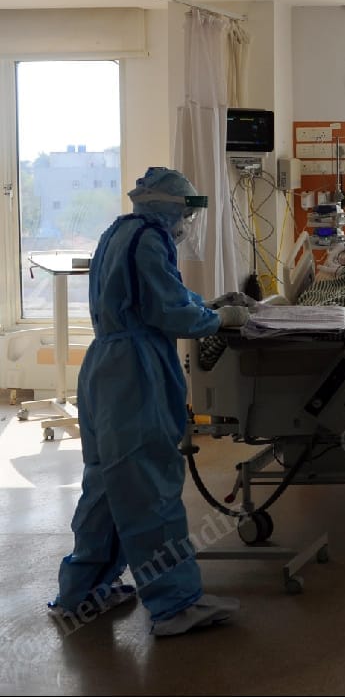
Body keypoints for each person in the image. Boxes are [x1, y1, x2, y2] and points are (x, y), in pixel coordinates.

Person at [49, 167, 250, 638]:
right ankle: (174, 605)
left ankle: (83, 591)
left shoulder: (118, 231)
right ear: (173, 208)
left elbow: (153, 296)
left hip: (103, 368)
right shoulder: (152, 239)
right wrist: (219, 318)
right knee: (149, 488)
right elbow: (170, 311)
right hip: (135, 375)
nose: (186, 225)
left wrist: (205, 305)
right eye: (185, 214)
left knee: (104, 485)